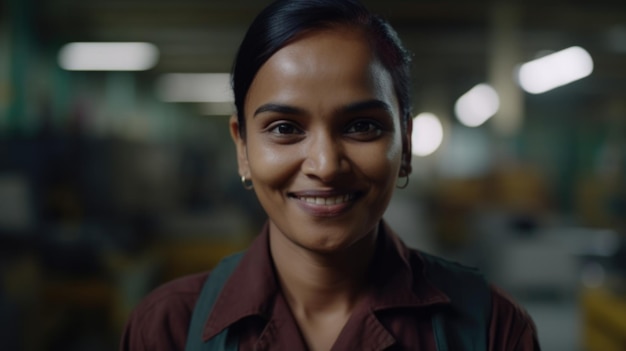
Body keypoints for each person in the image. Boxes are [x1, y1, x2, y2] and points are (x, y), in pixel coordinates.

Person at [120, 0, 541, 350]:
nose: (324, 165)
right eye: (284, 129)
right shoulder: (167, 330)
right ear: (242, 148)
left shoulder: (490, 330)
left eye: (361, 126)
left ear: (406, 144)